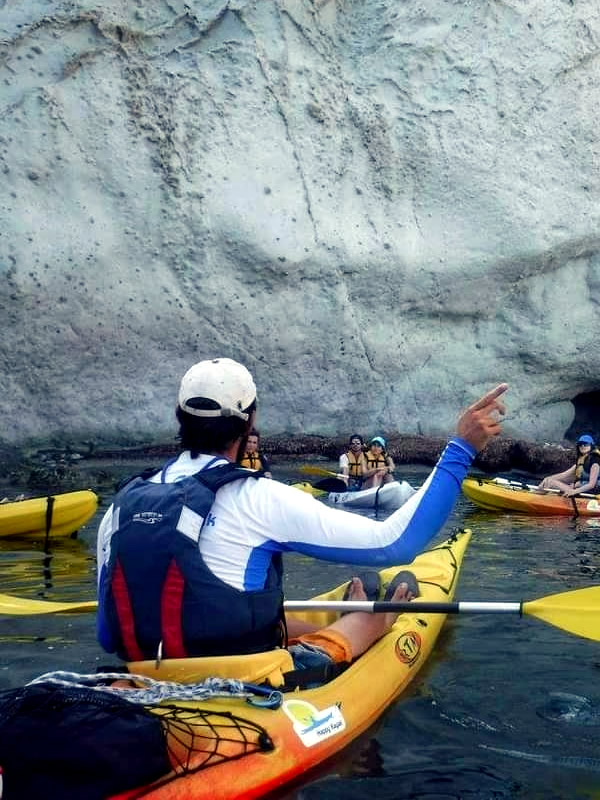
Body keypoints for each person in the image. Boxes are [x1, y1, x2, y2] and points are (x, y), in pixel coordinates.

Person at [96, 357, 507, 678]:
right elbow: (395, 543)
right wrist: (462, 449)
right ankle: (361, 624)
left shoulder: (123, 504)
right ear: (251, 419)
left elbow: (106, 631)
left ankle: (336, 620)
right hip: (242, 682)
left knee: (259, 616)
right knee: (370, 623)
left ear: (179, 417)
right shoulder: (257, 497)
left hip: (144, 675)